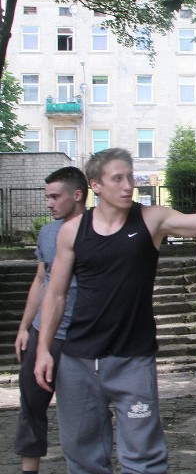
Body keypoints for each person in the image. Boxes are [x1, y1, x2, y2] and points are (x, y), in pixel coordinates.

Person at [33, 148, 196, 474]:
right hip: (78, 362)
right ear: (96, 185)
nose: (127, 185)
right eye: (117, 178)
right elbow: (56, 295)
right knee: (83, 457)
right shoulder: (73, 231)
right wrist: (44, 349)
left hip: (132, 360)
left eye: (130, 177)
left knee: (144, 459)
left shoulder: (151, 219)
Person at [13, 167, 88, 474]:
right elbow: (41, 280)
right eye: (48, 197)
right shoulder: (47, 233)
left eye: (55, 197)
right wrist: (24, 327)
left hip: (81, 335)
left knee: (82, 413)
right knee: (31, 405)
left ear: (78, 195)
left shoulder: (99, 229)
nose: (49, 204)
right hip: (44, 332)